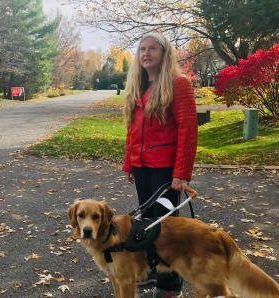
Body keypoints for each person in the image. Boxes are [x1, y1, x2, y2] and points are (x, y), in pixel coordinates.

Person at [122, 32, 198, 298]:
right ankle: (154, 271)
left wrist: (181, 173)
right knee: (147, 224)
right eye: (142, 48)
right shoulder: (138, 85)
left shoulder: (179, 84)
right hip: (142, 166)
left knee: (165, 228)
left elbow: (188, 130)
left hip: (165, 169)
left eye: (153, 48)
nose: (146, 53)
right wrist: (129, 163)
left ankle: (170, 286)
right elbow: (132, 129)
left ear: (165, 54)